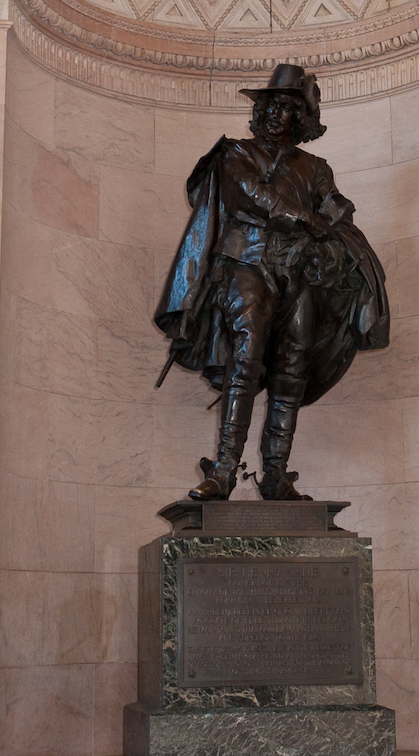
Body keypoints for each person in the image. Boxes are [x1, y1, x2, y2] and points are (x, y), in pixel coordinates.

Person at [154, 64, 389, 501]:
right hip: (246, 263)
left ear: (300, 116)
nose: (277, 114)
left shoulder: (315, 167)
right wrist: (307, 217)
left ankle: (276, 473)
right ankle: (224, 469)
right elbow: (251, 195)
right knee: (247, 357)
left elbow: (338, 207)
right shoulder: (234, 153)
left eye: (286, 107)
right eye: (271, 105)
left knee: (292, 367)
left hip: (297, 269)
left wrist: (334, 215)